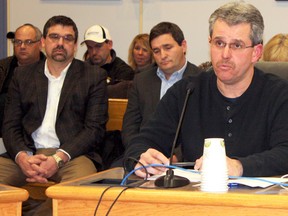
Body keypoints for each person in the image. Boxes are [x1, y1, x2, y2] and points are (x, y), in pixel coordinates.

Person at [124, 1, 288, 178]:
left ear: (256, 52)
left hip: (259, 202)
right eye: (219, 43)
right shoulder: (187, 91)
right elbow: (142, 142)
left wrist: (240, 167)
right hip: (197, 200)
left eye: (237, 45)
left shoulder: (279, 94)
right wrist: (143, 158)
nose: (225, 54)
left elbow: (285, 152)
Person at [0, 15, 108, 215]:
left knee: (76, 193)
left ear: (75, 46)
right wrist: (22, 157)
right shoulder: (22, 75)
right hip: (27, 154)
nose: (60, 43)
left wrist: (58, 158)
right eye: (54, 37)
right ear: (43, 42)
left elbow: (94, 129)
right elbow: (10, 125)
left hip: (71, 156)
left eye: (67, 39)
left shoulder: (93, 76)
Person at [121, 22, 201, 159]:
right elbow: (130, 128)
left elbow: (201, 132)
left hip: (185, 160)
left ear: (183, 46)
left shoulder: (199, 80)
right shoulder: (141, 81)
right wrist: (140, 154)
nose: (162, 55)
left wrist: (175, 157)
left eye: (168, 48)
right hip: (144, 156)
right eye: (156, 51)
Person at [0, 24, 45, 137]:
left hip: (35, 138)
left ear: (40, 44)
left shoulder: (51, 70)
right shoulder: (3, 67)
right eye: (18, 42)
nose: (22, 46)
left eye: (28, 42)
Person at [81, 24, 134, 98]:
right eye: (89, 47)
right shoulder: (81, 70)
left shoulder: (124, 71)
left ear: (109, 44)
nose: (94, 52)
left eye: (98, 46)